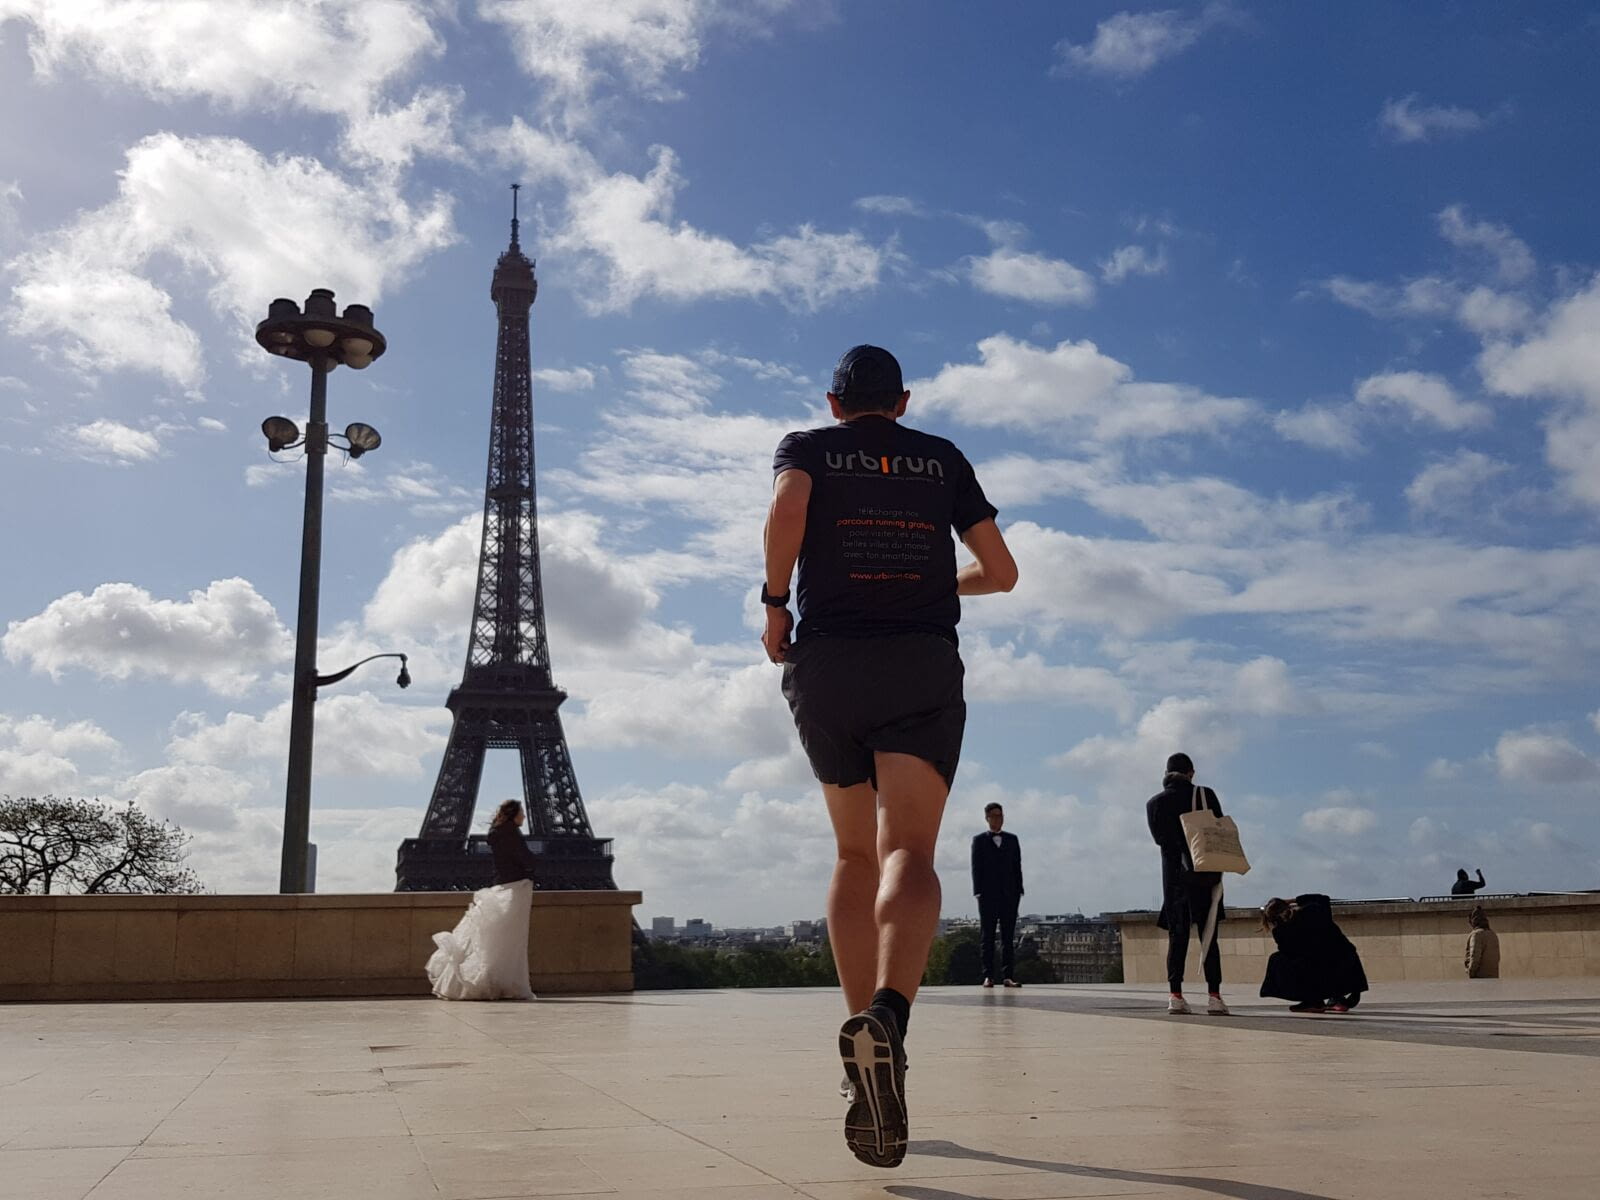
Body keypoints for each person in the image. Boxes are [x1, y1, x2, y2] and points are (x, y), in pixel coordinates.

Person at [762, 344, 1017, 1169]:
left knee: (852, 851)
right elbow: (1002, 573)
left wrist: (774, 606)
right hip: (919, 659)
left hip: (830, 662)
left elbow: (787, 512)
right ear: (901, 402)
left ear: (834, 404)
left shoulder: (806, 446)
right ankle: (891, 1019)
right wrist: (945, 587)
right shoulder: (942, 459)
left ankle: (862, 1048)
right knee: (909, 848)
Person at [425, 800, 536, 1001]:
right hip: (515, 886)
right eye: (522, 813)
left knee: (493, 939)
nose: (524, 817)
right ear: (513, 814)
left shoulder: (496, 833)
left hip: (500, 884)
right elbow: (525, 858)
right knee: (510, 941)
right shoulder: (512, 833)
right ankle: (499, 981)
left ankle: (483, 978)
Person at [1145, 752, 1230, 1016]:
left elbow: (1160, 840)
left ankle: (1175, 995)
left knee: (1177, 938)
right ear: (1191, 772)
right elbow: (1219, 831)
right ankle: (1214, 996)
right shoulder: (1205, 795)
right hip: (1205, 874)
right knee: (1209, 939)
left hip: (1174, 880)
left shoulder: (1154, 803)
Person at [1259, 894, 1368, 1013]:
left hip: (1322, 966)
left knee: (1278, 960)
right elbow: (1323, 898)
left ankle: (1312, 1000)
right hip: (1347, 959)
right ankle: (1336, 998)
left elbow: (1289, 953)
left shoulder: (1281, 931)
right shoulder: (1314, 910)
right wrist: (1293, 900)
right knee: (1322, 956)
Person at [971, 802, 1024, 988]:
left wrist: (1019, 889)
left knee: (1008, 937)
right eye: (994, 816)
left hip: (1010, 894)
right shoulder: (979, 840)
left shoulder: (1012, 839)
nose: (997, 819)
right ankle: (988, 976)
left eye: (1000, 816)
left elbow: (1017, 865)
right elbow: (976, 867)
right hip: (987, 895)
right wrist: (978, 891)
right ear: (987, 818)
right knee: (987, 936)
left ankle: (1008, 976)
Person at [1465, 905, 1500, 979]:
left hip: (1480, 980)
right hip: (1493, 979)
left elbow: (1474, 958)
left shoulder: (1476, 935)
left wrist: (1471, 973)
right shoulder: (1493, 934)